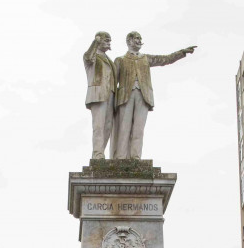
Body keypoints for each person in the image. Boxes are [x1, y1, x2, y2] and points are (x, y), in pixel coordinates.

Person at [111, 31, 196, 160]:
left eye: (140, 38)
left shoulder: (145, 58)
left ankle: (135, 157)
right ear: (128, 41)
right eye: (136, 39)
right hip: (124, 97)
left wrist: (181, 53)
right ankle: (121, 157)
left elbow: (165, 59)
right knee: (124, 128)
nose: (139, 41)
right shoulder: (120, 60)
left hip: (143, 96)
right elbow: (112, 82)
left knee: (138, 129)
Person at [84, 31, 116, 159]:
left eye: (110, 40)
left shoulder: (110, 60)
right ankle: (97, 154)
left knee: (108, 126)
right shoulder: (92, 55)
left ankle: (101, 151)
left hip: (111, 94)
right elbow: (88, 57)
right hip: (97, 94)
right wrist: (95, 42)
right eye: (106, 39)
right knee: (98, 125)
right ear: (99, 40)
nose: (109, 42)